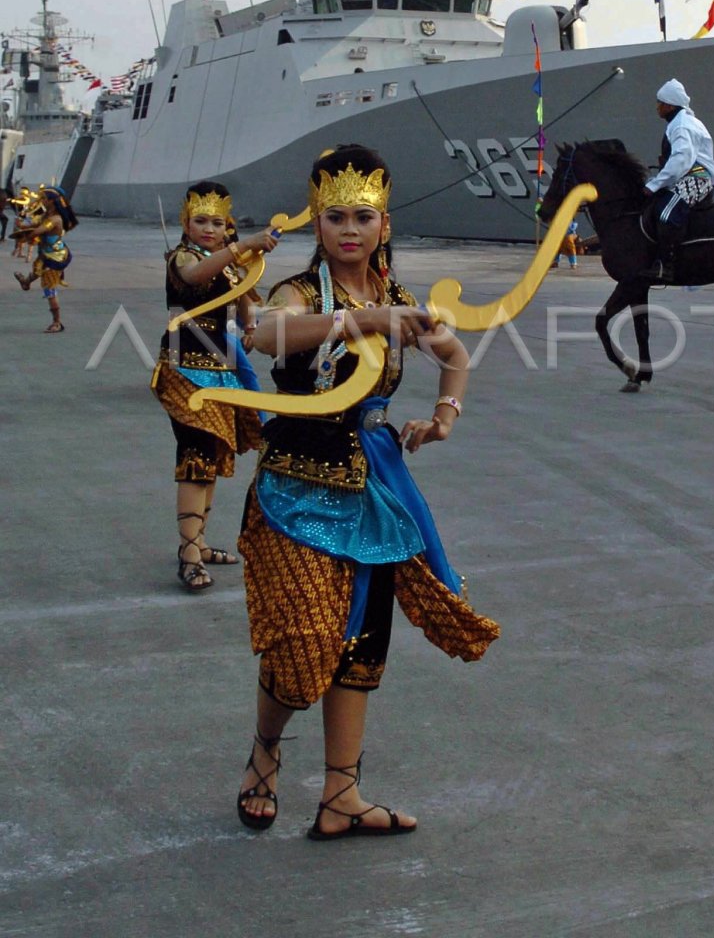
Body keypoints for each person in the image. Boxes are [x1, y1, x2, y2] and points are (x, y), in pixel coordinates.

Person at [235, 144, 499, 838]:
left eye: (363, 216)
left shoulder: (403, 301)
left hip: (375, 489)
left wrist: (443, 417)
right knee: (302, 647)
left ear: (383, 224)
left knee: (359, 642)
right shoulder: (299, 293)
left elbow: (456, 355)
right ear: (316, 226)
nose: (349, 229)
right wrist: (363, 321)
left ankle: (340, 796)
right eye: (335, 217)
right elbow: (265, 336)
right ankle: (264, 754)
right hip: (296, 486)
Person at [150, 181, 279, 591]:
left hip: (219, 368)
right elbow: (193, 276)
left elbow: (243, 299)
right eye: (201, 221)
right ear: (185, 224)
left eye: (217, 222)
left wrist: (250, 326)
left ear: (228, 226)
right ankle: (188, 552)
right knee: (195, 453)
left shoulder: (224, 262)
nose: (209, 228)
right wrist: (241, 249)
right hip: (184, 367)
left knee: (212, 454)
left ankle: (198, 541)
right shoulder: (183, 257)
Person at [643, 79, 714, 283]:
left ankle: (667, 265)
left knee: (666, 213)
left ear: (670, 105)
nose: (657, 107)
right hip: (683, 176)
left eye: (660, 102)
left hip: (697, 178)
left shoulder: (682, 126)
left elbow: (681, 160)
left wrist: (653, 185)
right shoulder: (678, 122)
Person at [13, 186, 78, 332]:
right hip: (46, 253)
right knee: (37, 269)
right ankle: (26, 282)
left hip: (55, 257)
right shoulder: (47, 216)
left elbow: (38, 230)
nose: (42, 201)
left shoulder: (55, 220)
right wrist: (21, 226)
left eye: (45, 199)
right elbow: (35, 225)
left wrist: (25, 237)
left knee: (49, 289)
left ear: (52, 201)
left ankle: (57, 322)